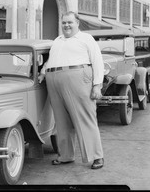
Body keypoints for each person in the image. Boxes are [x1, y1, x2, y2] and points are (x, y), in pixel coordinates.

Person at [38, 11, 104, 169]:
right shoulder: (57, 40)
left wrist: (97, 85)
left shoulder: (86, 38)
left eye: (70, 22)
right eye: (64, 23)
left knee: (84, 118)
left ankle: (96, 156)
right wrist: (43, 71)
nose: (66, 25)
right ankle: (66, 155)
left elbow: (97, 61)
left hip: (78, 79)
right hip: (54, 81)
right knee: (61, 121)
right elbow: (52, 60)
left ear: (77, 23)